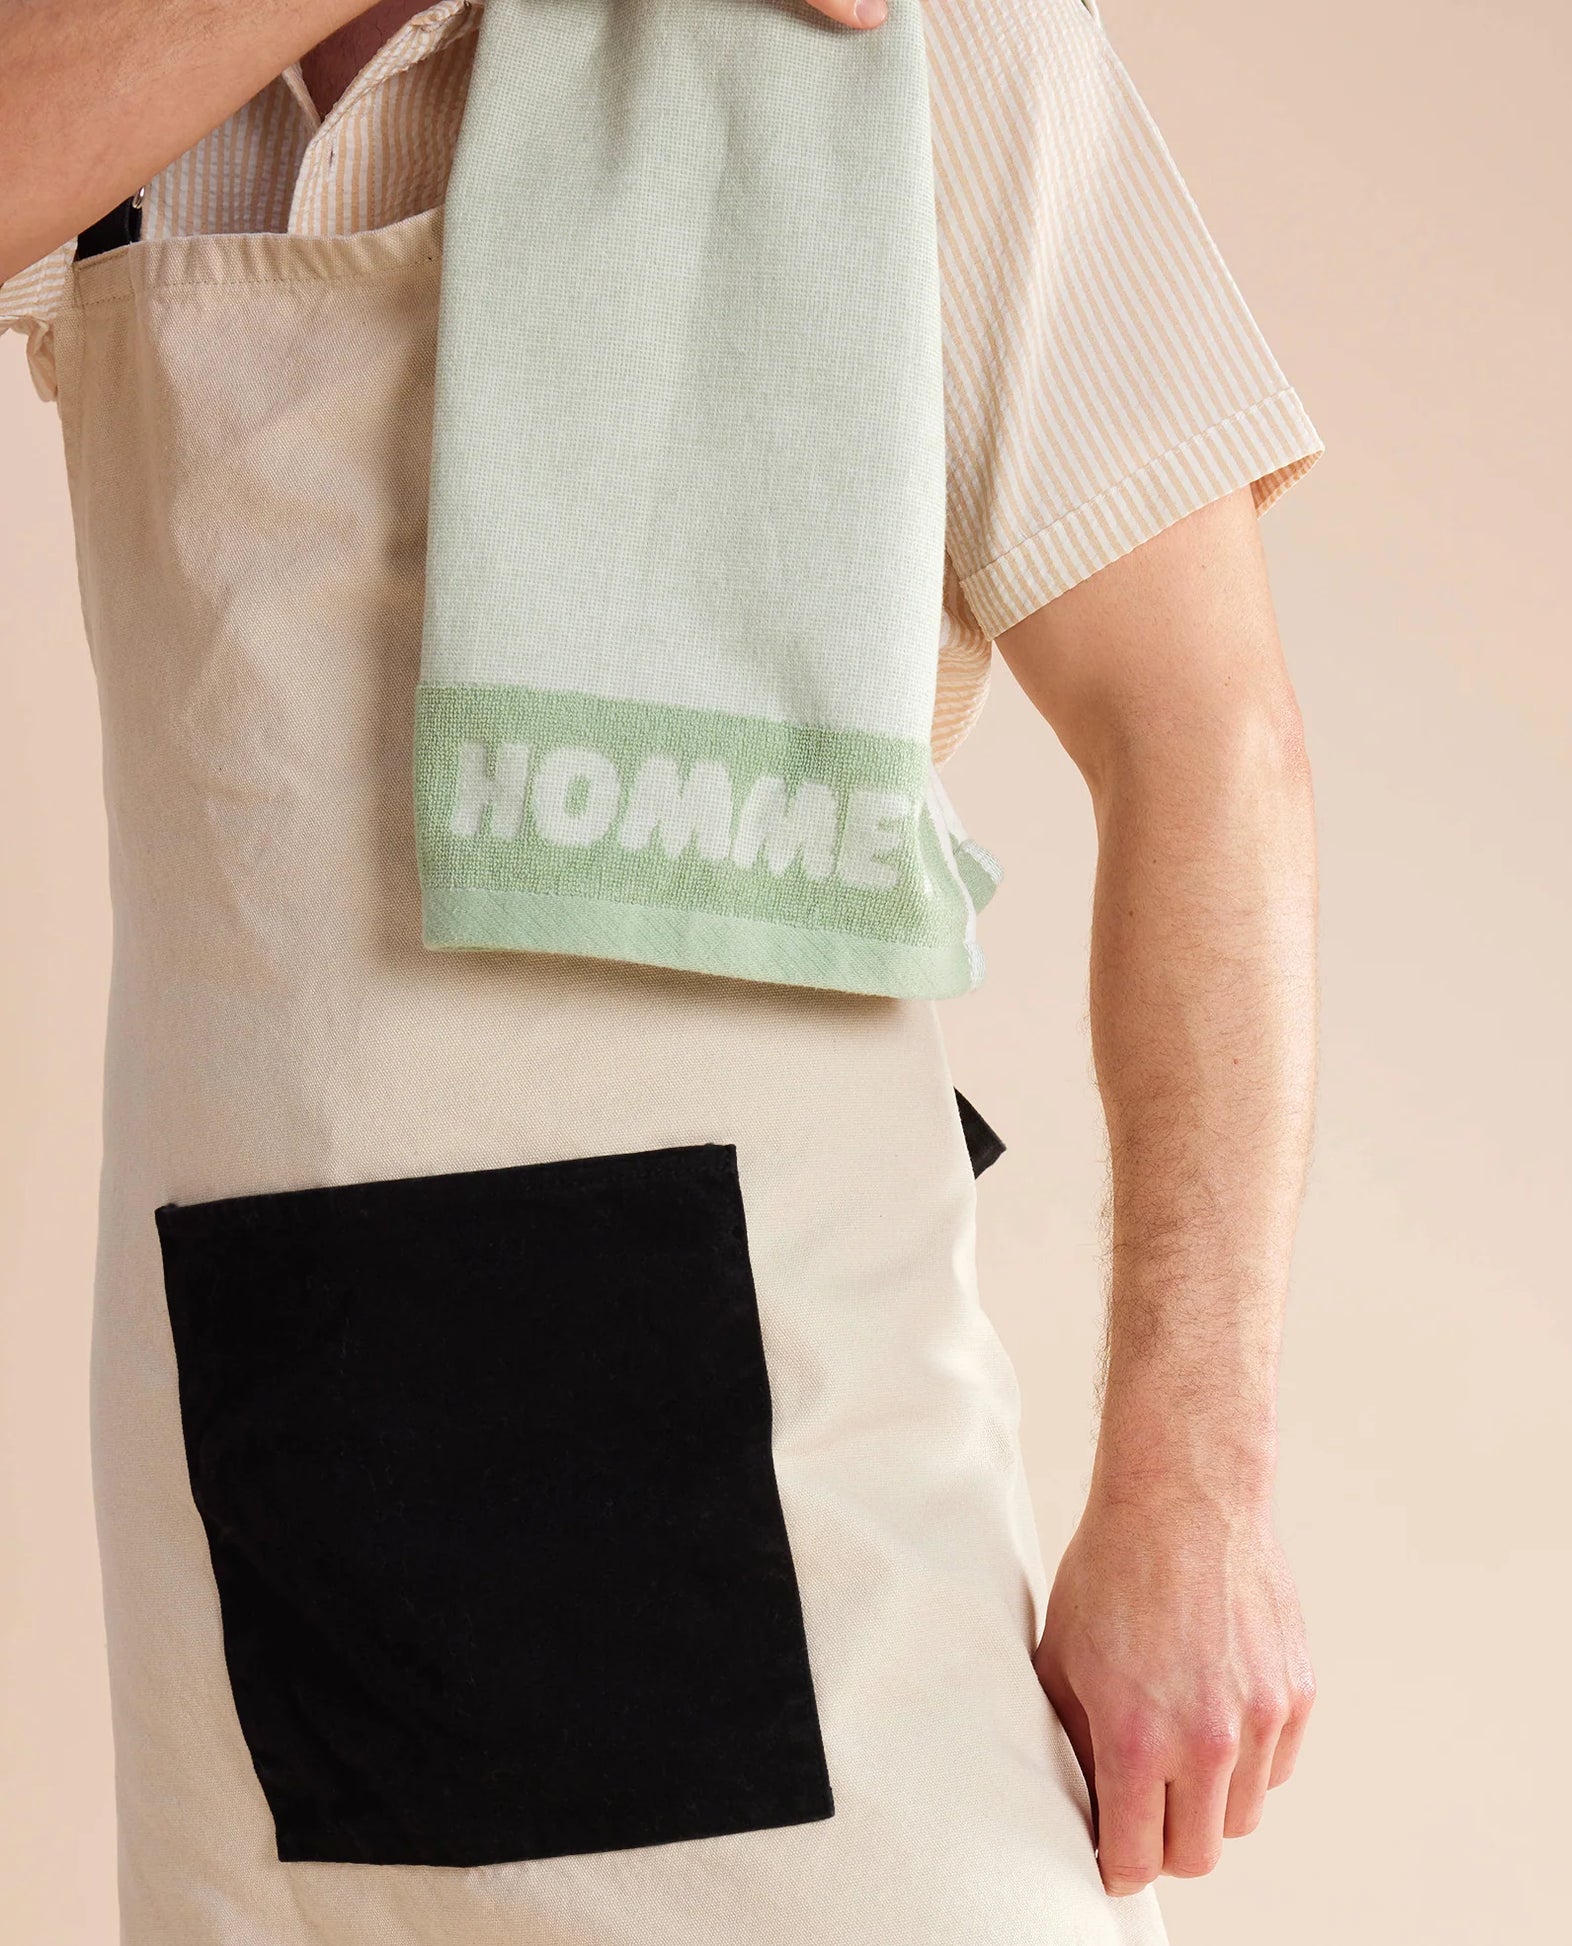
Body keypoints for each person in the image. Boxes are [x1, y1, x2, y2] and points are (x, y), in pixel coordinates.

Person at [0, 2, 1323, 1941]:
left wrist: (1193, 1488)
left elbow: (1208, 735)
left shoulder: (917, 40)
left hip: (774, 1499)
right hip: (255, 1496)